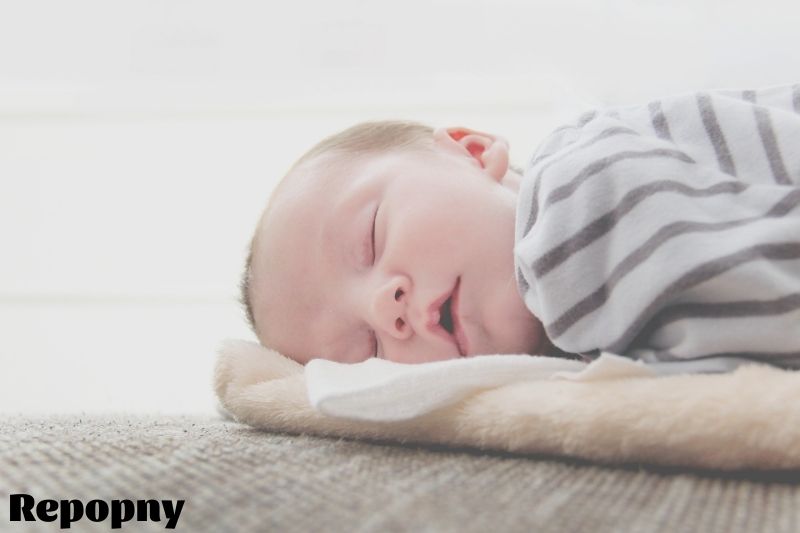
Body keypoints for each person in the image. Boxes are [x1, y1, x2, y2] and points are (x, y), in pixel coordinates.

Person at [240, 83, 800, 372]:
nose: (384, 306)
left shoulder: (569, 208)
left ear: (472, 151)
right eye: (365, 352)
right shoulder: (569, 327)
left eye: (371, 237)